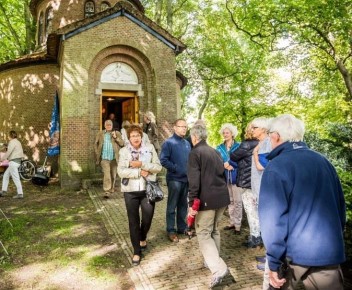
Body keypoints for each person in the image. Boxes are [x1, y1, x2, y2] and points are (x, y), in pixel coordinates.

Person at [259, 114, 345, 290]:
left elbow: (272, 221)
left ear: (275, 136)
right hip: (328, 253)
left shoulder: (276, 167)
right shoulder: (324, 162)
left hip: (294, 257)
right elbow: (340, 209)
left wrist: (273, 262)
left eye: (269, 135)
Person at [187, 125, 230, 289]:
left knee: (203, 233)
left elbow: (194, 181)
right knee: (214, 230)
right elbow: (222, 173)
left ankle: (218, 268)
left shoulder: (195, 153)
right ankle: (211, 260)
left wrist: (192, 203)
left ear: (195, 137)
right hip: (221, 197)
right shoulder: (215, 151)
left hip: (207, 199)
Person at [117, 124, 162, 266]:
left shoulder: (149, 149)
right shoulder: (124, 152)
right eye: (132, 136)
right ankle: (136, 251)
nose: (135, 138)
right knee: (133, 221)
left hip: (147, 190)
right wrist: (138, 172)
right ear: (128, 138)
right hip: (130, 191)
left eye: (137, 135)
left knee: (147, 219)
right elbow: (121, 172)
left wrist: (142, 164)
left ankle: (143, 237)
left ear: (141, 136)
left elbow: (158, 167)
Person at [160, 118, 191, 242]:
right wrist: (176, 168)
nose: (184, 128)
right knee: (172, 205)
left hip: (186, 179)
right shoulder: (169, 143)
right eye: (181, 126)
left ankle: (181, 227)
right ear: (175, 127)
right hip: (174, 179)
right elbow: (163, 160)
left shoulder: (187, 144)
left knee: (183, 205)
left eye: (185, 127)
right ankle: (171, 230)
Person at [242, 117, 271, 248]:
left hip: (263, 189)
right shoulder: (261, 142)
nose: (251, 130)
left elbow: (262, 166)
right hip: (257, 187)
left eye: (254, 128)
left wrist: (254, 154)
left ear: (263, 129)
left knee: (266, 218)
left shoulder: (267, 143)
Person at [230, 122, 260, 246]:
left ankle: (254, 237)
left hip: (248, 182)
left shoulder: (247, 144)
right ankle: (260, 236)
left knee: (251, 210)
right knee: (258, 210)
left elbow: (233, 155)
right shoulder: (264, 143)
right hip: (259, 182)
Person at [216, 123, 242, 234]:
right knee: (230, 201)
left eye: (228, 133)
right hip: (225, 177)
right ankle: (232, 222)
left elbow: (242, 160)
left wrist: (233, 165)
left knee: (238, 201)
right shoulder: (219, 147)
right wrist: (223, 165)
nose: (225, 134)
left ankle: (238, 225)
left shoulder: (239, 146)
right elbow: (217, 161)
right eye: (224, 133)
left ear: (232, 134)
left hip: (236, 177)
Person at [95, 120, 124, 198]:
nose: (108, 126)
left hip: (114, 158)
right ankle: (106, 190)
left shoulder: (117, 133)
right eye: (107, 125)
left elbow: (122, 144)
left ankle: (112, 187)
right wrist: (97, 153)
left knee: (113, 175)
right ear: (104, 126)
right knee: (107, 174)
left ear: (112, 125)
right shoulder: (100, 133)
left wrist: (115, 137)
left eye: (110, 125)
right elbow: (96, 143)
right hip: (104, 157)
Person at [0, 131, 24, 199]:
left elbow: (8, 152)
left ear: (10, 136)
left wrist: (2, 159)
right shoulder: (17, 141)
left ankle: (20, 193)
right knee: (6, 175)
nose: (8, 137)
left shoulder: (12, 142)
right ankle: (4, 191)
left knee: (16, 178)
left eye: (8, 136)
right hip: (16, 162)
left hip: (13, 162)